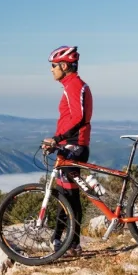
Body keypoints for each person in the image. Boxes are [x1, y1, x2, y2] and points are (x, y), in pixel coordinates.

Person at [42, 45, 93, 257]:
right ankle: (65, 241)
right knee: (67, 196)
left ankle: (70, 243)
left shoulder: (74, 85)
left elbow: (78, 117)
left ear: (64, 65)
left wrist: (58, 138)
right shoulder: (71, 85)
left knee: (69, 197)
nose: (51, 70)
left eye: (53, 66)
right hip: (69, 145)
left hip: (73, 146)